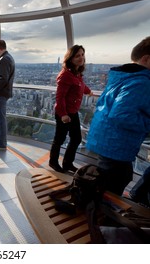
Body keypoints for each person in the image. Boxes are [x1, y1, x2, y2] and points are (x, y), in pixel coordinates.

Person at [86, 36, 150, 196]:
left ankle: (98, 210)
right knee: (116, 182)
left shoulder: (121, 76)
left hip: (106, 139)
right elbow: (121, 114)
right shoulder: (141, 82)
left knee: (111, 179)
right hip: (116, 144)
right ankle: (103, 216)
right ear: (147, 59)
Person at [49, 45, 92, 173]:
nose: (81, 58)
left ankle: (67, 163)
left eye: (82, 54)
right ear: (70, 58)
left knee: (76, 138)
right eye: (77, 55)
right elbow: (60, 96)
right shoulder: (66, 75)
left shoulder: (76, 73)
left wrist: (89, 91)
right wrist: (63, 114)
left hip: (72, 112)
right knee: (60, 139)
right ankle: (53, 162)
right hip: (64, 113)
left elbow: (80, 86)